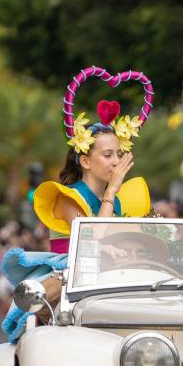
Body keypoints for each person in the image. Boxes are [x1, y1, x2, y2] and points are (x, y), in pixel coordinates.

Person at [32, 81, 153, 254]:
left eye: (119, 154)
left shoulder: (118, 200)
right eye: (107, 155)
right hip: (67, 276)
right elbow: (92, 243)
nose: (116, 162)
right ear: (85, 161)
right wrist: (110, 191)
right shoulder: (69, 198)